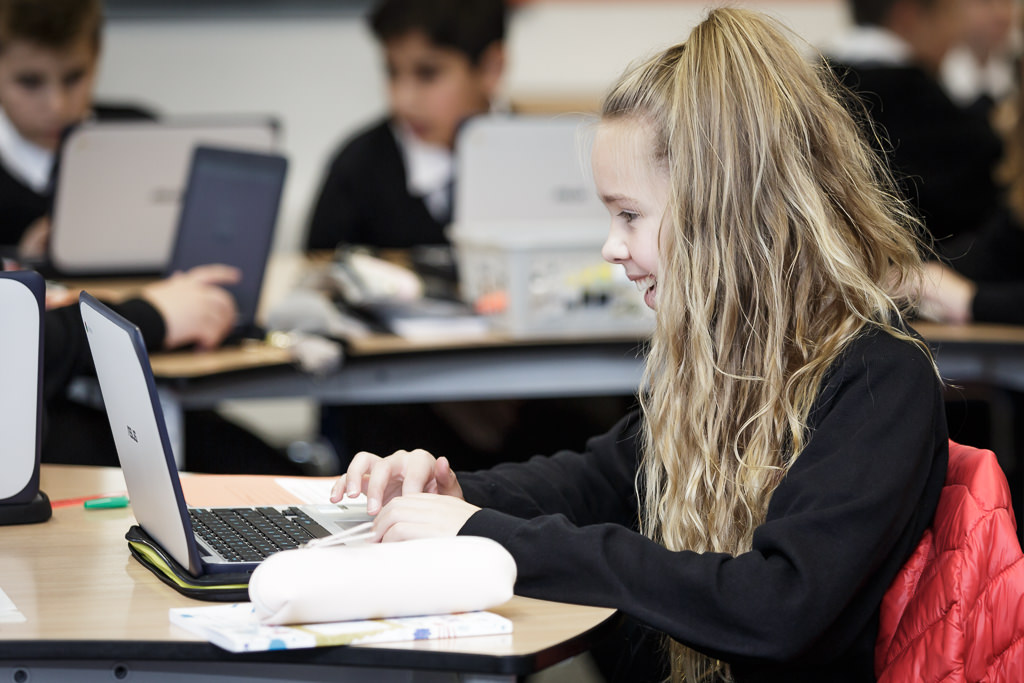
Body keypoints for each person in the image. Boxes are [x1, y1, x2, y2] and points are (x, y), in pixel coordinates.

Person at [329, 9, 949, 682]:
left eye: (629, 215)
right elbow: (598, 478)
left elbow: (777, 605)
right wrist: (451, 492)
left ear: (723, 210)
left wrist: (486, 531)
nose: (611, 247)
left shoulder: (878, 378)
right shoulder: (724, 363)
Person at [305, 0, 507, 253]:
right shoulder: (357, 168)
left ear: (492, 68)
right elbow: (317, 273)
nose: (402, 100)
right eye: (392, 72)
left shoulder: (541, 160)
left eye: (427, 74)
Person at [826, 0, 1004, 247]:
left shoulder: (810, 83)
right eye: (950, 15)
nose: (956, 32)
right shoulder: (924, 107)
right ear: (908, 14)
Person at [0, 0, 154, 260]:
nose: (57, 106)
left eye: (73, 78)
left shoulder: (143, 139)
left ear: (96, 57)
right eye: (30, 82)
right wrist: (17, 264)